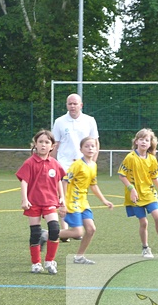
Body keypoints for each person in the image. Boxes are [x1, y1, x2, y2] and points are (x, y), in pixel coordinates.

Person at [118, 128, 158, 258]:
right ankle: (145, 248)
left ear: (150, 144)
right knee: (144, 222)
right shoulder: (130, 157)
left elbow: (154, 176)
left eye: (147, 140)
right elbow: (122, 175)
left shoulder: (152, 159)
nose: (144, 142)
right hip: (136, 196)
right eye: (141, 139)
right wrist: (131, 189)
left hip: (149, 193)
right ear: (136, 142)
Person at [15, 130, 66, 275]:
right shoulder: (29, 162)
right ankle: (36, 263)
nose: (43, 145)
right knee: (35, 233)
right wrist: (24, 199)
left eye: (47, 142)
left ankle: (50, 261)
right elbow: (24, 181)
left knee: (55, 229)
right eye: (41, 142)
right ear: (35, 144)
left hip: (50, 200)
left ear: (52, 146)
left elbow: (58, 180)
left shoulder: (55, 163)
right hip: (34, 202)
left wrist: (61, 197)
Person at [51, 93, 99, 239]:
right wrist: (51, 164)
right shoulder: (59, 121)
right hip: (64, 164)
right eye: (69, 104)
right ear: (66, 105)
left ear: (81, 105)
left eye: (75, 103)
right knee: (62, 194)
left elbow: (96, 143)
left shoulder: (89, 120)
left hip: (82, 166)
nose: (72, 106)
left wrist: (92, 163)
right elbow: (55, 144)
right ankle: (64, 229)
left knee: (77, 196)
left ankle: (73, 228)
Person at [61, 136, 114, 264]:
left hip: (83, 202)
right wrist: (62, 201)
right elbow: (65, 180)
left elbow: (93, 184)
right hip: (72, 201)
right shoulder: (77, 165)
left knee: (91, 229)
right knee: (77, 232)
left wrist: (104, 200)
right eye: (87, 146)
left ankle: (79, 257)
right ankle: (46, 235)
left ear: (96, 149)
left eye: (92, 146)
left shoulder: (93, 165)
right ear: (81, 149)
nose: (90, 148)